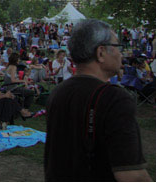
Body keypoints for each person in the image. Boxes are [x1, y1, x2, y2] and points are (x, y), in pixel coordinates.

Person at [44, 19, 151, 181]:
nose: (121, 54)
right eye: (117, 47)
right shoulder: (114, 98)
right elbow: (132, 175)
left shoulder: (58, 92)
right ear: (101, 53)